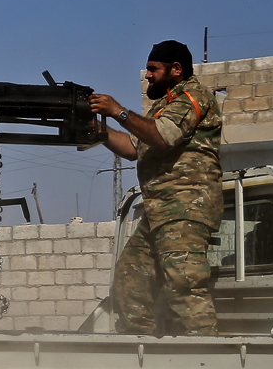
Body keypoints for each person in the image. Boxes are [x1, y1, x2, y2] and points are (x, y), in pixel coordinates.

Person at [89, 39, 223, 335]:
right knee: (130, 283)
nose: (147, 75)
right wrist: (96, 129)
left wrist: (117, 111)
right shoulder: (165, 106)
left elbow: (162, 137)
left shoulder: (192, 96)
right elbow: (133, 147)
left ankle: (211, 360)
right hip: (160, 213)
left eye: (153, 69)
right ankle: (148, 355)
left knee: (184, 286)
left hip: (185, 207)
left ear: (176, 69)